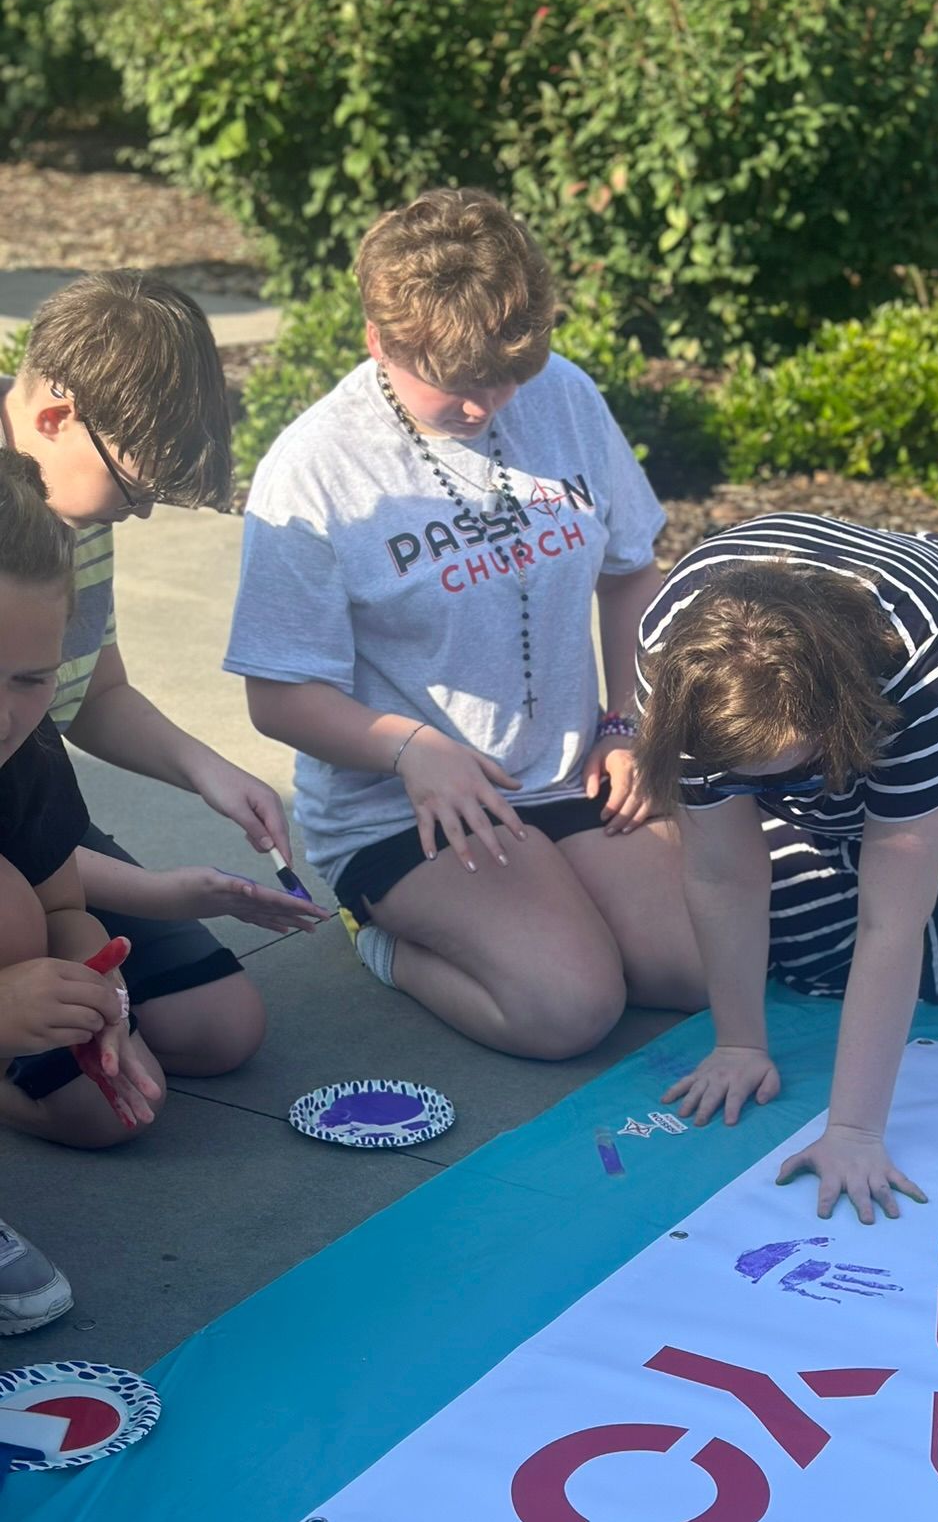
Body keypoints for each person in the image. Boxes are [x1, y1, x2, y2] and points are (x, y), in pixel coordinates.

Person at [226, 188, 704, 1056]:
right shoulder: (314, 467)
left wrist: (630, 722)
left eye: (507, 376)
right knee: (569, 1008)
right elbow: (280, 696)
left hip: (571, 772)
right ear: (378, 341)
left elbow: (630, 573)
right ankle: (379, 940)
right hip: (405, 808)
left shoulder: (564, 394)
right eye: (456, 386)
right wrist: (415, 748)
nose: (490, 407)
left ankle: (551, 896)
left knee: (701, 967)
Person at [634, 513, 938, 1226]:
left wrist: (855, 1131)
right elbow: (722, 876)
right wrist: (738, 1041)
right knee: (808, 958)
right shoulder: (674, 654)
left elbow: (894, 922)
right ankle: (810, 782)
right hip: (816, 662)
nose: (768, 795)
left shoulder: (928, 665)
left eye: (785, 771)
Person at [1, 273, 326, 1112]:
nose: (138, 518)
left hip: (28, 811)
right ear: (54, 419)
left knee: (218, 1029)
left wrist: (211, 774)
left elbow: (90, 692)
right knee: (19, 932)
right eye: (132, 490)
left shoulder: (71, 512)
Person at [1, 451, 167, 1325]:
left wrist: (97, 996)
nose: (3, 716)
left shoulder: (21, 751)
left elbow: (63, 907)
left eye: (30, 680)